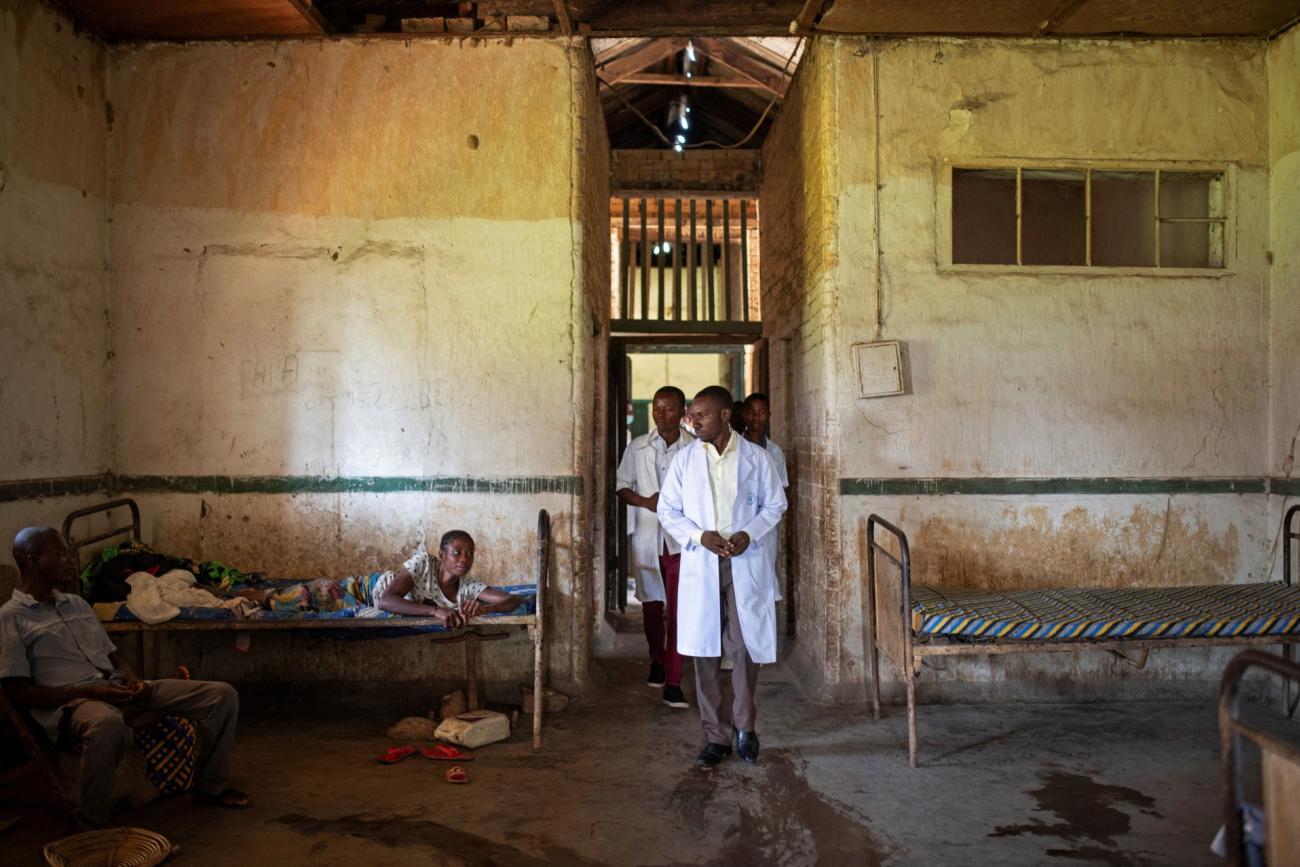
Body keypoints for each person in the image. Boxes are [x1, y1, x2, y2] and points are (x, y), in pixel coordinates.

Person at [0, 528, 249, 828]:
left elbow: (113, 655)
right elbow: (20, 693)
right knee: (107, 724)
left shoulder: (76, 605)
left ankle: (209, 788)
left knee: (221, 695)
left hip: (115, 688)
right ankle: (92, 823)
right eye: (61, 553)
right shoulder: (10, 618)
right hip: (75, 704)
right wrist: (96, 692)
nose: (70, 561)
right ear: (31, 560)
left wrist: (131, 677)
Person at [658, 386, 787, 767]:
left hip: (744, 560)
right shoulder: (684, 461)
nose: (693, 421)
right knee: (705, 651)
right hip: (704, 559)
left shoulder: (758, 459)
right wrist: (701, 537)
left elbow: (776, 503)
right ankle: (716, 736)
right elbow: (668, 511)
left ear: (726, 415)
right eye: (692, 415)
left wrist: (749, 532)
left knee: (744, 646)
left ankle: (745, 728)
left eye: (701, 414)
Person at [615, 386, 695, 708]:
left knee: (677, 610)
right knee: (651, 606)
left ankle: (674, 682)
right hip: (649, 538)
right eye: (657, 409)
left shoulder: (695, 448)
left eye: (669, 409)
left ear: (682, 411)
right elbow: (621, 488)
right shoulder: (637, 448)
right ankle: (657, 660)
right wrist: (645, 501)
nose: (661, 415)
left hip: (681, 541)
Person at [374, 530, 519, 626]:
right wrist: (435, 611)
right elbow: (385, 600)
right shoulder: (424, 564)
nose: (464, 559)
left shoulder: (468, 586)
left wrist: (486, 609)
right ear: (442, 555)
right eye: (457, 552)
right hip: (369, 590)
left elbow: (514, 599)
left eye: (469, 554)